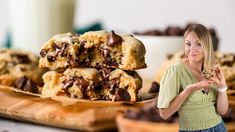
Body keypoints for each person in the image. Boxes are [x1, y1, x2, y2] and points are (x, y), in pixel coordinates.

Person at [157, 24, 228, 132]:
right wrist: (188, 90)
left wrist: (222, 87)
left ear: (207, 46)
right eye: (188, 44)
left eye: (198, 44)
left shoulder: (211, 70)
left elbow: (222, 111)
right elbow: (164, 114)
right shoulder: (176, 71)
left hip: (219, 128)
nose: (192, 49)